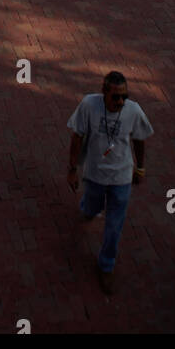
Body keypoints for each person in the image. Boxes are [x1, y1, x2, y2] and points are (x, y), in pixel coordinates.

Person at [67, 71, 154, 295]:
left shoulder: (133, 111)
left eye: (125, 97)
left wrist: (141, 168)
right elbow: (76, 137)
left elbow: (139, 139)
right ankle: (88, 207)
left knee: (114, 225)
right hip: (95, 174)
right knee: (92, 208)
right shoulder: (89, 105)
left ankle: (106, 264)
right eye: (115, 97)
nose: (120, 102)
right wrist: (72, 170)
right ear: (104, 92)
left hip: (121, 178)